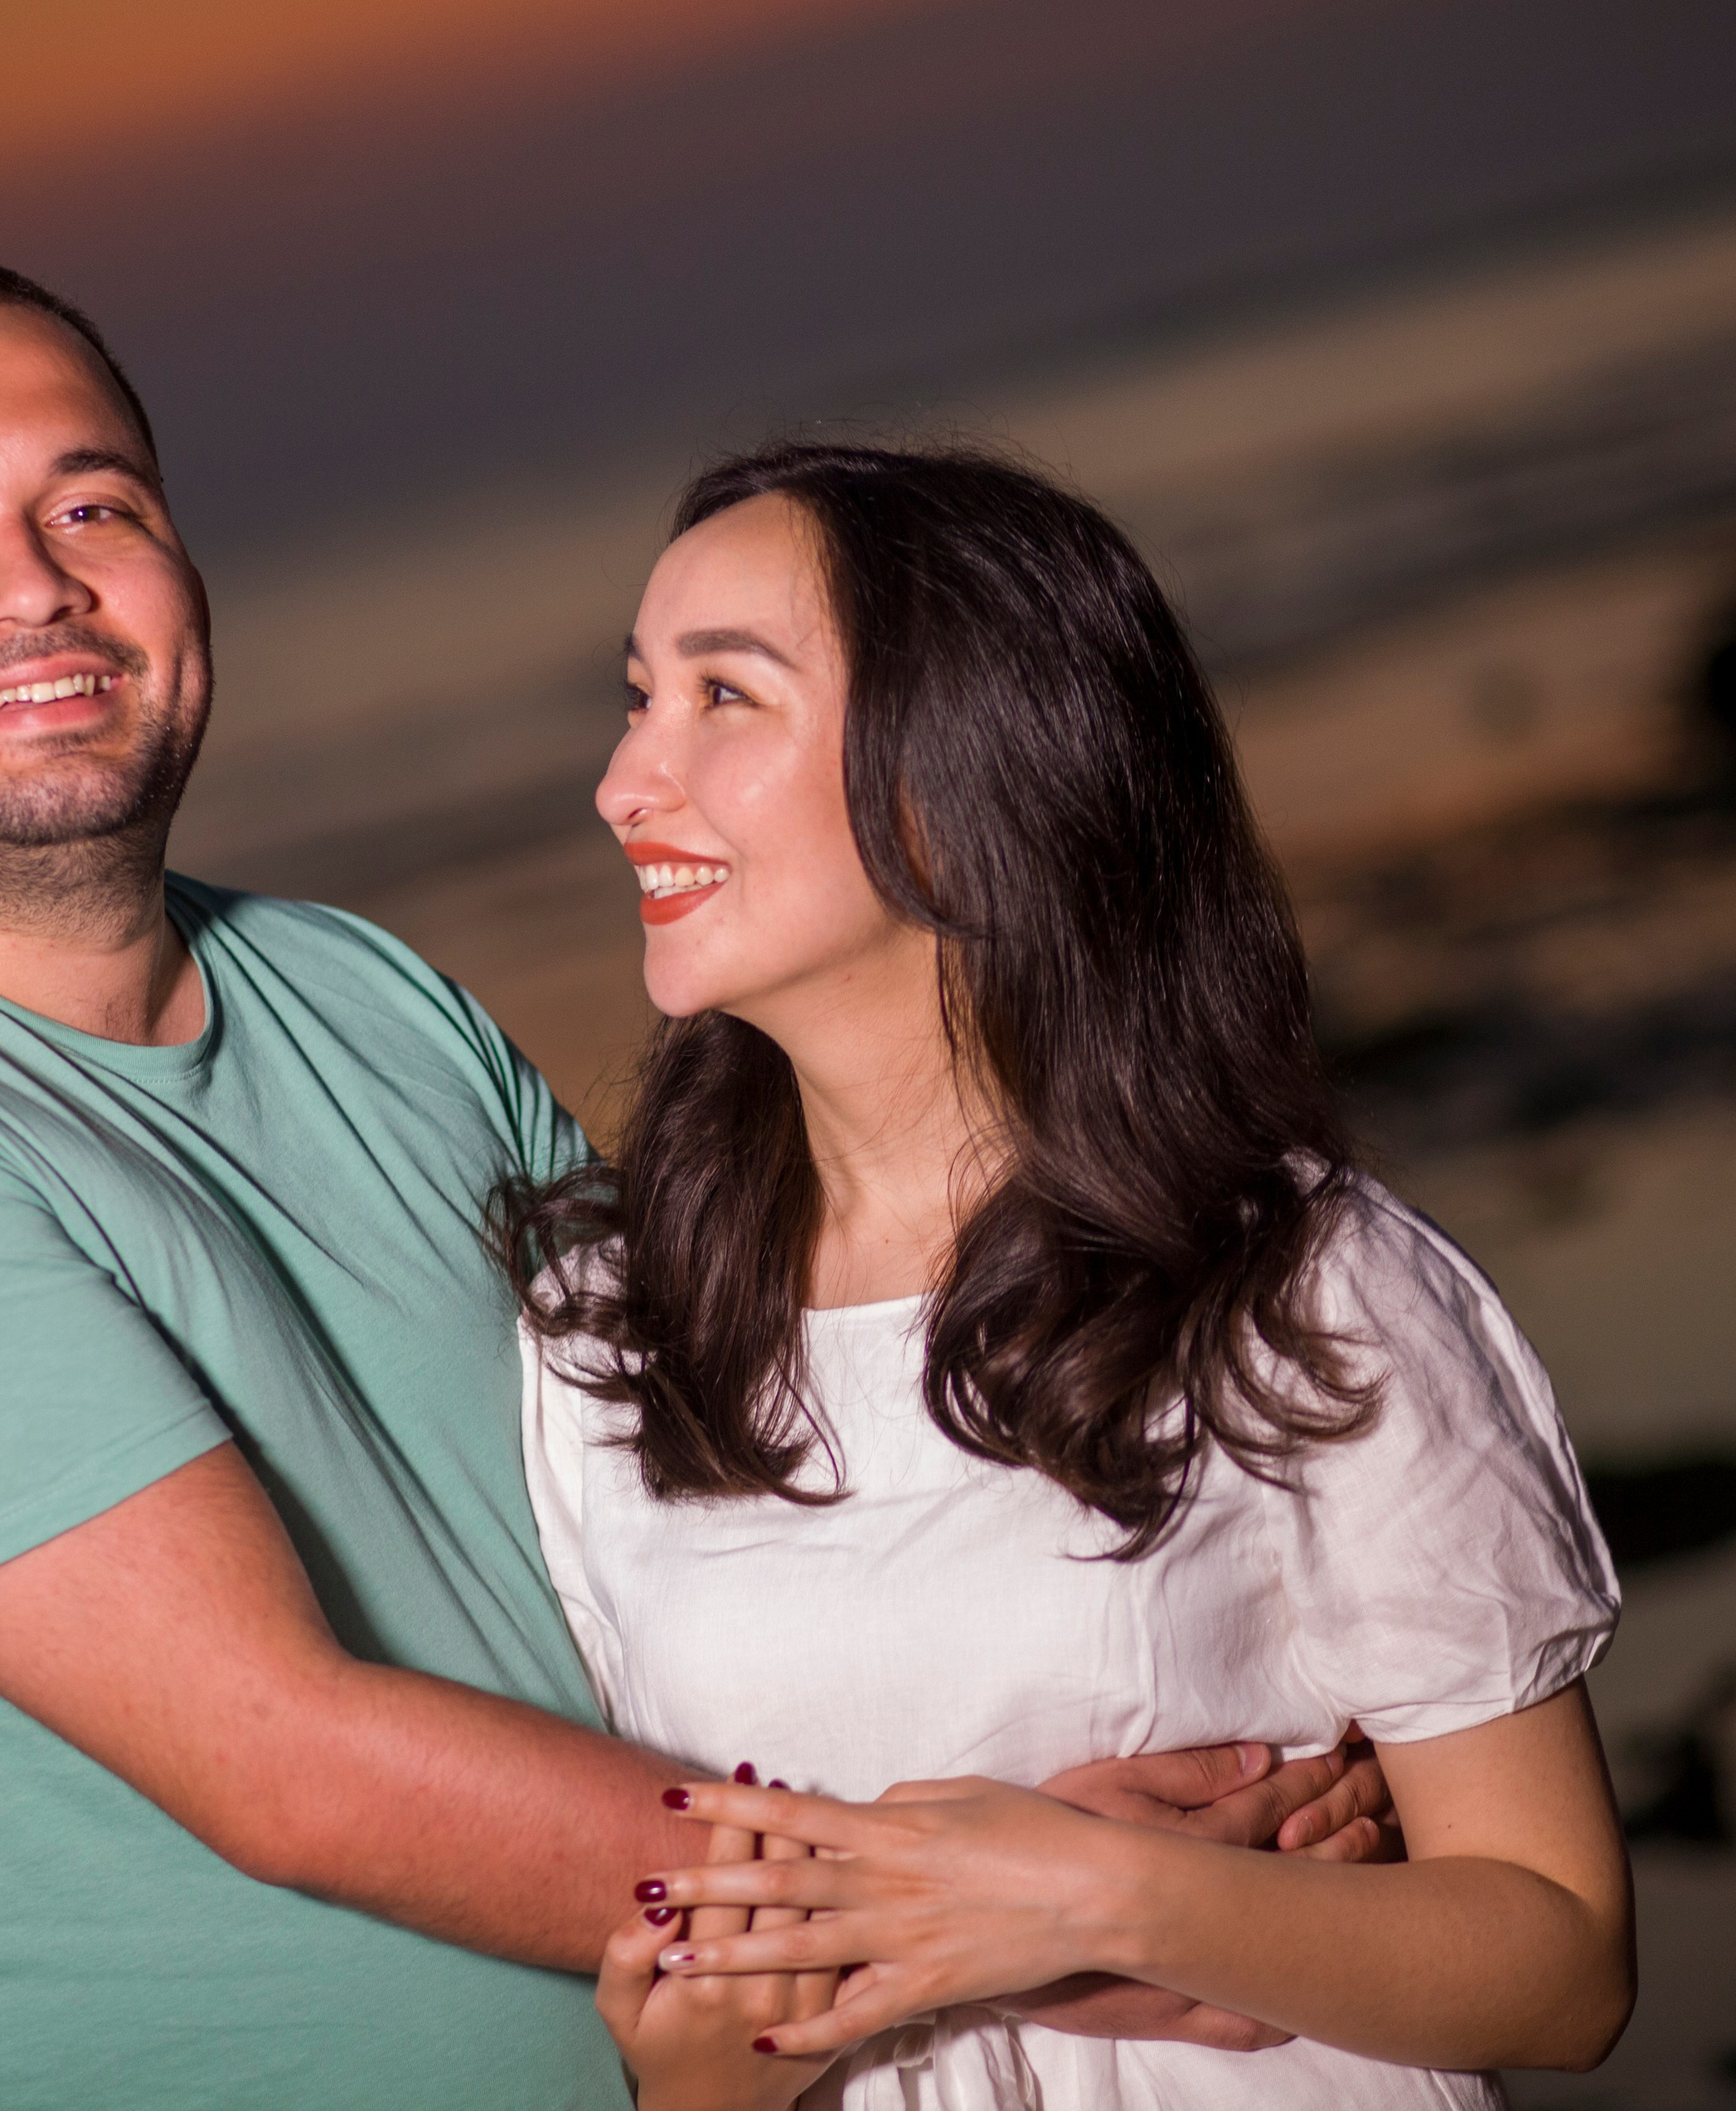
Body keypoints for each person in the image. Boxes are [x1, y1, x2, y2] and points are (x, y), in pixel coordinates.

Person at [0, 264, 1388, 2109]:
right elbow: (283, 1757)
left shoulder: (355, 986)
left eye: (93, 505)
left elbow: (718, 1457)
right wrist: (1001, 1903)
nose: (33, 585)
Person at [506, 443, 1635, 2109]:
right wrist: (707, 2071)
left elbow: (1560, 1960)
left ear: (960, 781)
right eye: (634, 697)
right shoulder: (605, 1336)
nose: (622, 781)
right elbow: (687, 2012)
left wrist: (1097, 1893)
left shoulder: (1294, 1281)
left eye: (721, 698)